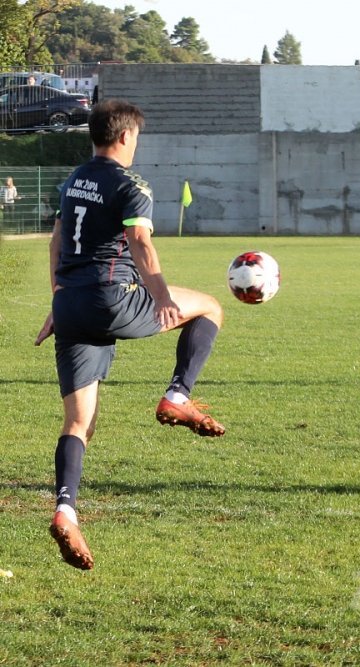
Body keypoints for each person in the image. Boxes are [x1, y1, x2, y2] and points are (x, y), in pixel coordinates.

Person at [34, 99, 227, 570]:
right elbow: (141, 242)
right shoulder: (131, 184)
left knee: (79, 421)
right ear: (125, 137)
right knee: (210, 307)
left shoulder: (74, 179)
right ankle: (178, 395)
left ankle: (65, 510)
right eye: (137, 137)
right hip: (111, 296)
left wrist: (57, 298)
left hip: (71, 303)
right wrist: (160, 296)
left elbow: (59, 238)